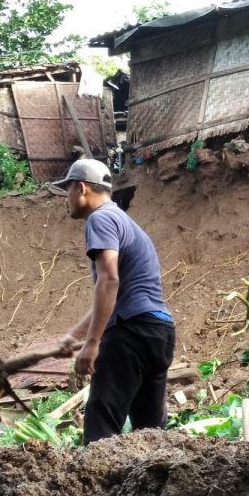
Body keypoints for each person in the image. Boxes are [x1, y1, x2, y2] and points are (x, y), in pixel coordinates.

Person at [54, 159, 175, 444]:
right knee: (151, 434)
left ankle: (93, 488)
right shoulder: (123, 220)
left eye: (68, 189)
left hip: (129, 334)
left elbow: (109, 280)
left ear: (82, 188)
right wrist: (75, 336)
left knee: (101, 427)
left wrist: (92, 343)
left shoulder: (100, 219)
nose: (66, 198)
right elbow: (114, 295)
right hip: (158, 333)